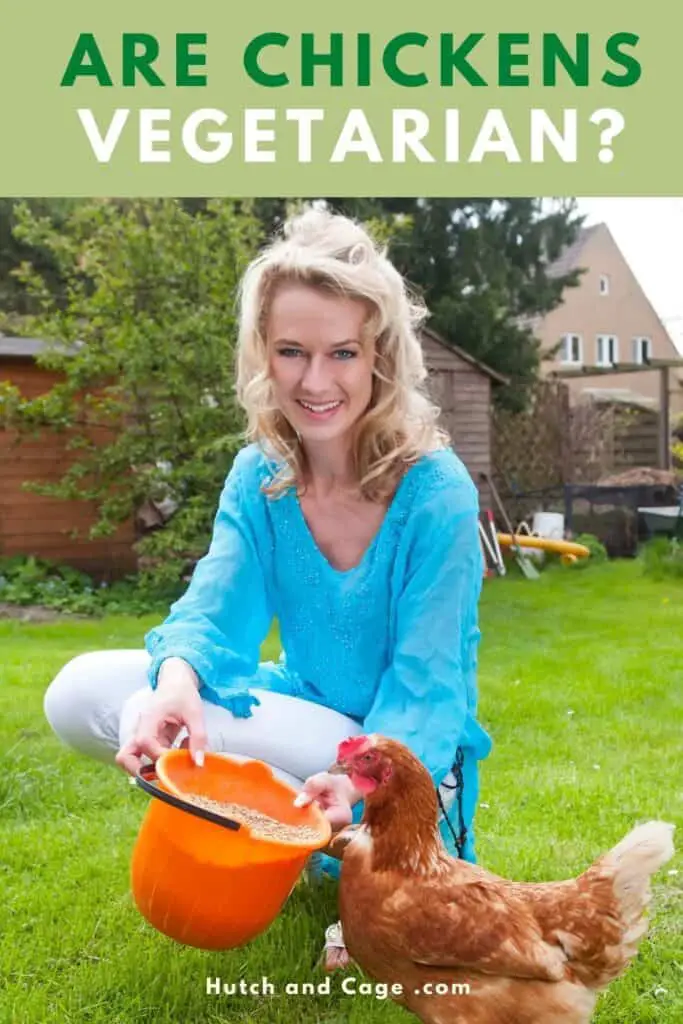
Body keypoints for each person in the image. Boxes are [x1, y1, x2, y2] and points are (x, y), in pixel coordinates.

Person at [44, 207, 492, 959]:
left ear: (378, 354)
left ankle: (354, 844)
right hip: (301, 710)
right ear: (263, 353)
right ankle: (287, 832)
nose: (314, 382)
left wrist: (355, 782)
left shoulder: (435, 491)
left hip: (404, 759)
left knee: (396, 876)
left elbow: (426, 686)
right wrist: (176, 687)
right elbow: (216, 606)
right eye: (291, 351)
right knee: (81, 692)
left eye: (341, 352)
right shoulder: (262, 474)